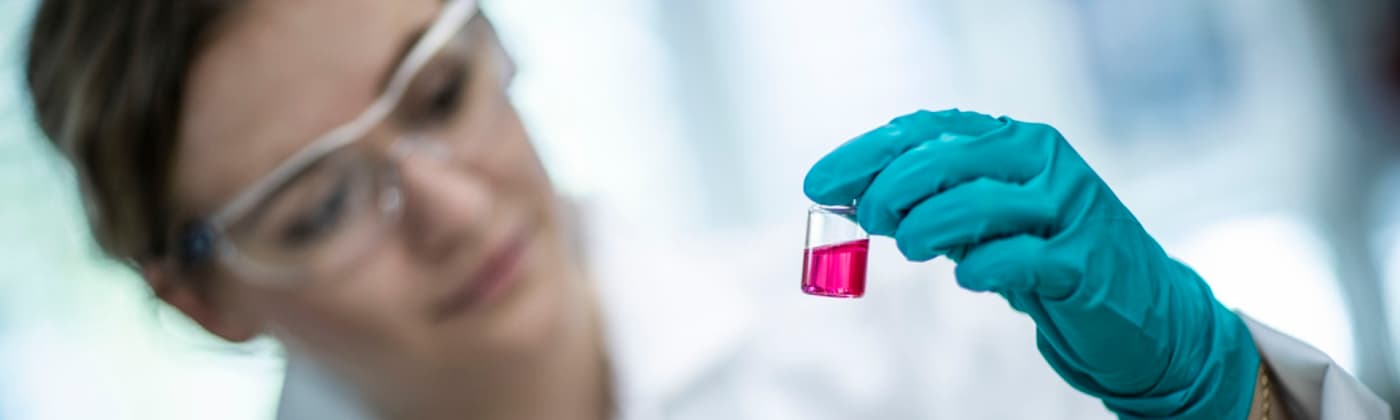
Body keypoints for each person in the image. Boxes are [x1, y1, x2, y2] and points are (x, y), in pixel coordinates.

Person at [21, 0, 1390, 419]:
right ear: (197, 295)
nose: (449, 203)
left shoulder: (901, 337)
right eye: (317, 203)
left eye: (436, 92)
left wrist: (1224, 393)